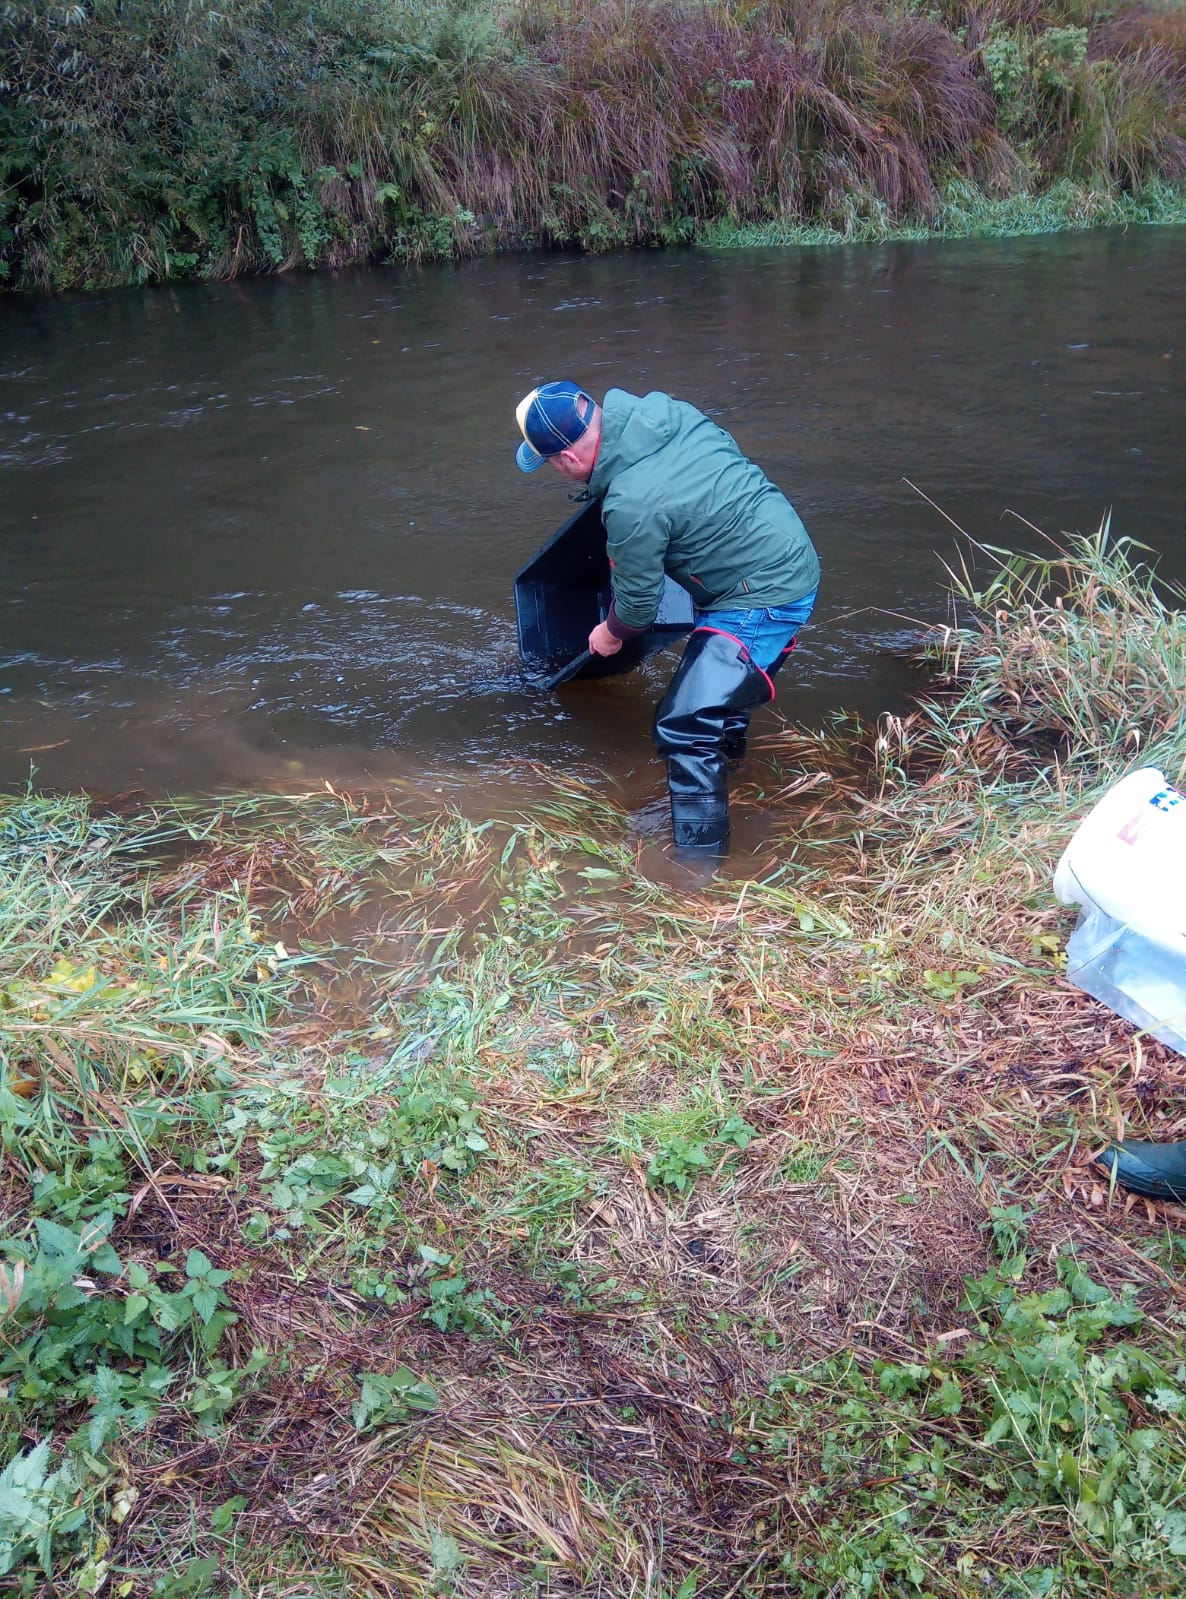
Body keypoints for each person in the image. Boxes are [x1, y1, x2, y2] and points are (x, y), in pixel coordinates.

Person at [514, 380, 820, 854]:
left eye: (551, 463)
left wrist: (609, 633)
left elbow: (638, 609)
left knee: (684, 724)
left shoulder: (630, 505)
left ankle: (698, 866)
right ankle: (735, 778)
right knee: (720, 704)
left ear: (568, 459)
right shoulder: (665, 413)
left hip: (763, 594)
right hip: (787, 547)